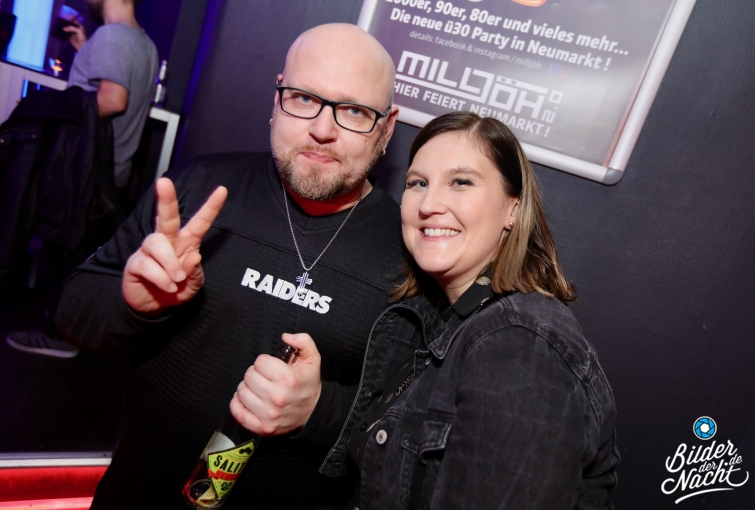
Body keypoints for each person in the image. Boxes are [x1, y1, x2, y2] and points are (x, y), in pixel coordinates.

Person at [56, 23, 402, 509]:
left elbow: (414, 425)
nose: (323, 130)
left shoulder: (407, 254)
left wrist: (321, 411)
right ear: (277, 97)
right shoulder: (197, 188)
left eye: (354, 111)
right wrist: (132, 306)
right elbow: (74, 310)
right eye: (304, 98)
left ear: (387, 127)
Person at [236, 111, 619, 508]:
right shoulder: (445, 320)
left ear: (513, 208)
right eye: (418, 183)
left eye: (460, 182)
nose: (429, 204)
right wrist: (315, 405)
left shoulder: (519, 342)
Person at [6, 0, 157, 358]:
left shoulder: (112, 37)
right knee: (78, 257)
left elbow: (112, 100)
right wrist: (85, 47)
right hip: (108, 174)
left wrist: (40, 107)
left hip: (84, 173)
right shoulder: (143, 43)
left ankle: (57, 336)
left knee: (61, 253)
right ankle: (66, 332)